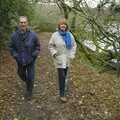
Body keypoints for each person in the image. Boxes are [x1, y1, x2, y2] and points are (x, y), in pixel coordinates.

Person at [10, 16, 40, 100]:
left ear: (27, 23)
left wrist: (34, 54)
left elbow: (38, 46)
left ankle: (29, 92)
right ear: (19, 24)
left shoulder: (33, 35)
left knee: (30, 76)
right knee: (20, 74)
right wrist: (15, 55)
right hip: (20, 60)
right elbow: (11, 47)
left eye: (24, 22)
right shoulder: (14, 35)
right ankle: (28, 82)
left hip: (30, 60)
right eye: (21, 22)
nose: (23, 24)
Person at [49, 18, 77, 102]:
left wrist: (72, 54)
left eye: (64, 24)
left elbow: (74, 45)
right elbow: (51, 45)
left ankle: (63, 87)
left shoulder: (70, 35)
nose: (63, 26)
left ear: (66, 26)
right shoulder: (55, 35)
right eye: (61, 24)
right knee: (61, 76)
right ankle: (62, 95)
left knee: (64, 75)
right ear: (59, 26)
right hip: (59, 59)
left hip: (67, 59)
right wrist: (54, 53)